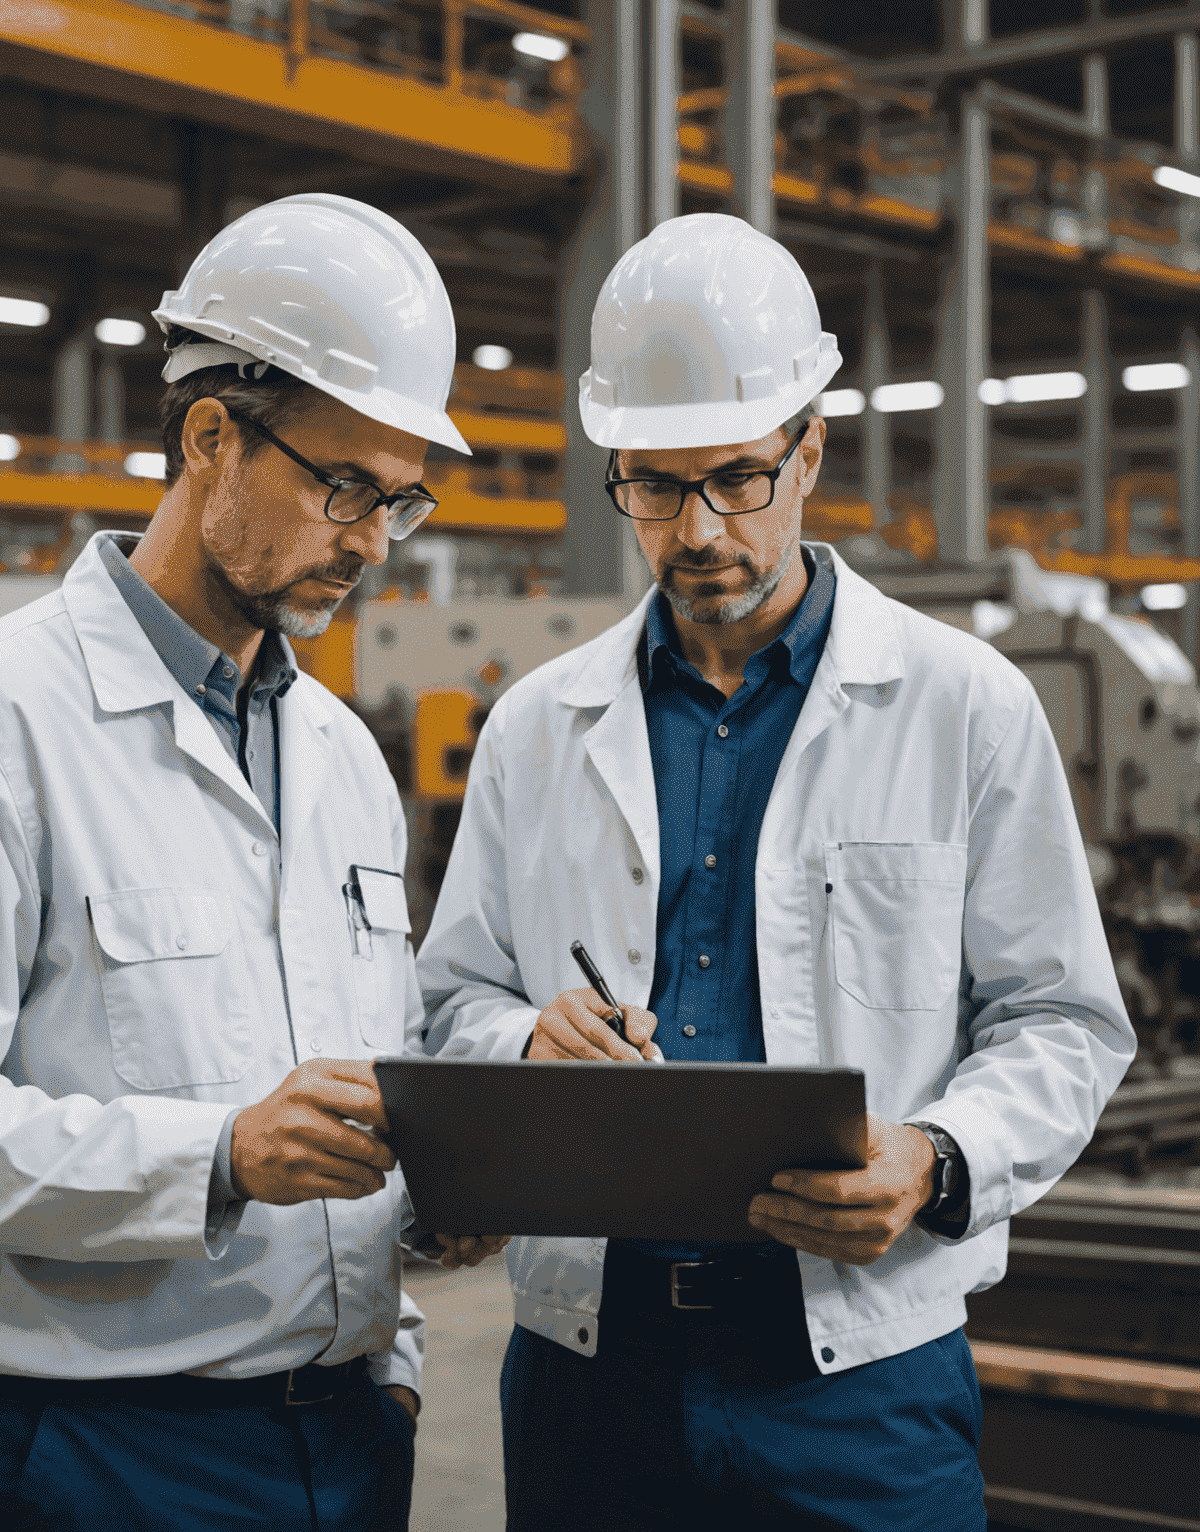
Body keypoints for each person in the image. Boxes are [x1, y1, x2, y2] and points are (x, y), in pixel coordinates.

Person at [415, 212, 1134, 1531]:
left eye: (737, 479)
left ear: (810, 450)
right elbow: (450, 999)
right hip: (592, 1371)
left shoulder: (961, 706)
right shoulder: (536, 725)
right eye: (654, 485)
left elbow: (1063, 1021)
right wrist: (526, 1041)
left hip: (861, 1379)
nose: (698, 530)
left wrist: (936, 1156)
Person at [0, 194, 502, 1532]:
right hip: (83, 1456)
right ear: (207, 438)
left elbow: (354, 1088)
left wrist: (415, 1253)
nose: (370, 540)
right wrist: (221, 1153)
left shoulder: (343, 758)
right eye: (342, 485)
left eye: (400, 501)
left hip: (347, 1437)